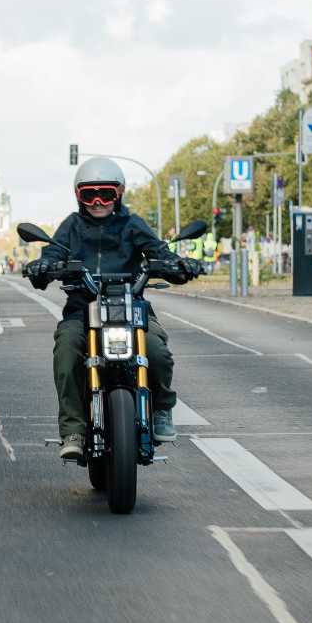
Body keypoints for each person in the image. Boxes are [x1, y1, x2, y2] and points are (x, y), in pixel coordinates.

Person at [30, 157, 196, 460]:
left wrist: (179, 265)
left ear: (118, 194)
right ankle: (73, 430)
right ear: (78, 196)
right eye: (88, 194)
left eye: (105, 194)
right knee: (66, 350)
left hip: (131, 307)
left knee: (156, 350)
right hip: (83, 308)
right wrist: (43, 266)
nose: (97, 202)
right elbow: (54, 252)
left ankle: (160, 409)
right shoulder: (71, 226)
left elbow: (160, 252)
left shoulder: (133, 225)